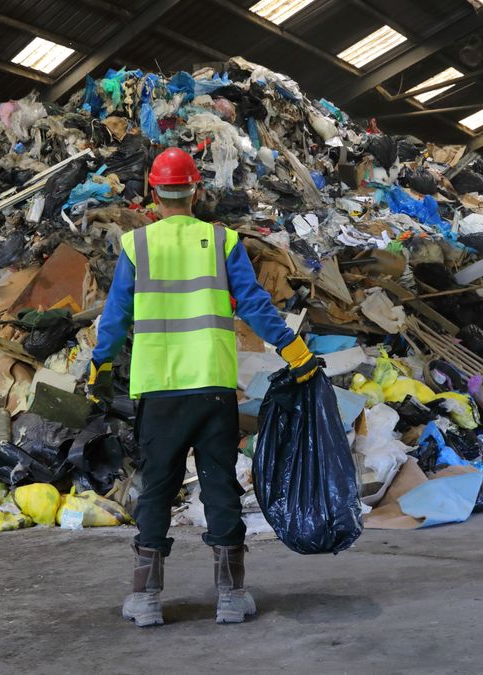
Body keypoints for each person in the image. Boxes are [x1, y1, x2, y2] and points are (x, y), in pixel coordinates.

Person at [86, 148, 317, 627]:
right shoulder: (221, 241)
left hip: (159, 388)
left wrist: (99, 366)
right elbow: (254, 304)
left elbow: (114, 318)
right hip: (212, 387)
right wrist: (292, 350)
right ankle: (231, 597)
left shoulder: (137, 246)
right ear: (197, 191)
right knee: (219, 485)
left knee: (156, 489)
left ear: (153, 192)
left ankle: (146, 600)